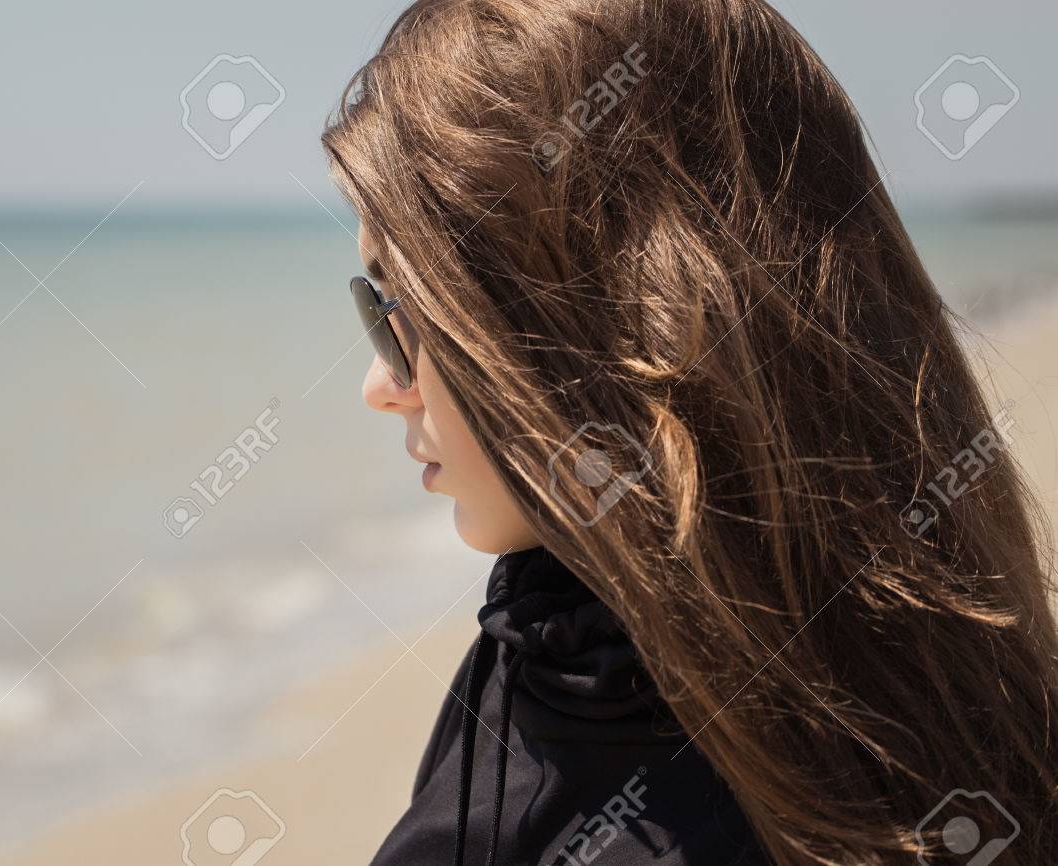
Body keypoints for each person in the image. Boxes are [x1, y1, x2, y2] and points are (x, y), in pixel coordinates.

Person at [321, 1, 1058, 864]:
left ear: (589, 322)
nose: (382, 386)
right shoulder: (960, 694)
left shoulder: (582, 727)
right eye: (373, 309)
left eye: (399, 308)